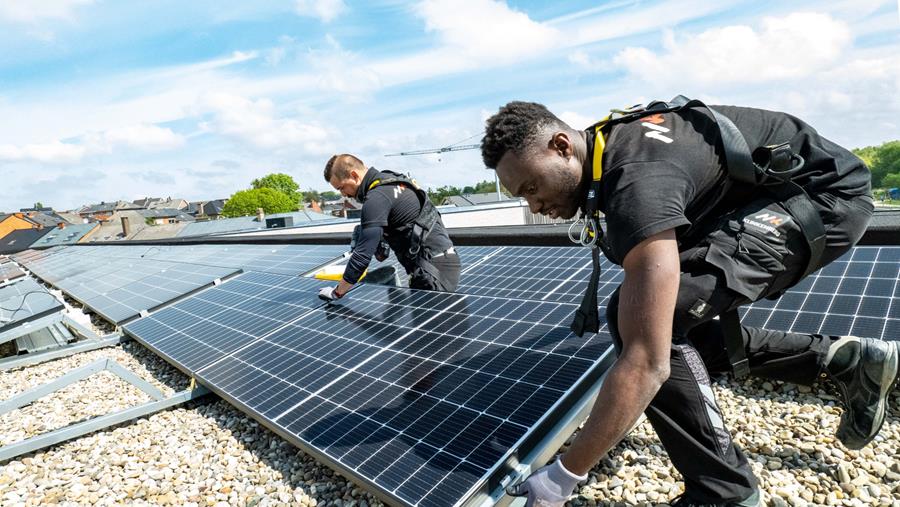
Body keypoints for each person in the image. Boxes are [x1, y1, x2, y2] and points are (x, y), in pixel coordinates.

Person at [480, 99, 899, 507]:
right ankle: (841, 361)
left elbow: (647, 364)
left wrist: (563, 476)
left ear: (561, 145)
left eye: (532, 187)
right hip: (779, 194)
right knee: (636, 314)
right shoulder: (611, 150)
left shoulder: (637, 181)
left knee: (657, 328)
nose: (534, 205)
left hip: (825, 199)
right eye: (522, 196)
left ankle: (724, 493)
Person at [317, 154, 460, 301]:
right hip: (441, 261)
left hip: (431, 271)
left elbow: (362, 256)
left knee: (430, 322)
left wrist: (337, 292)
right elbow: (384, 251)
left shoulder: (376, 198)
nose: (343, 195)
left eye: (341, 188)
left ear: (354, 175)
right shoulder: (390, 180)